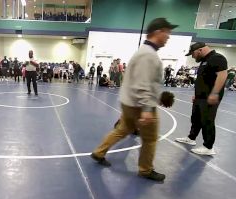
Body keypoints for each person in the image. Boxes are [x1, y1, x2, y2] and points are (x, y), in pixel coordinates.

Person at [90, 18, 178, 182]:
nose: (168, 36)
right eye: (167, 32)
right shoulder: (148, 55)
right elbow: (143, 84)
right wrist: (147, 110)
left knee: (122, 130)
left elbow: (140, 81)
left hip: (129, 102)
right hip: (140, 105)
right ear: (158, 32)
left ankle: (99, 152)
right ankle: (146, 169)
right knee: (150, 138)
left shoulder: (143, 52)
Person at [175, 42, 228, 156]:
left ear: (200, 50)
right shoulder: (205, 61)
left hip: (210, 97)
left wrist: (214, 93)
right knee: (196, 118)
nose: (193, 56)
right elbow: (203, 80)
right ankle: (191, 138)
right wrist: (197, 94)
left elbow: (222, 75)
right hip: (201, 97)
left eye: (193, 54)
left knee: (207, 120)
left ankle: (208, 147)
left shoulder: (217, 58)